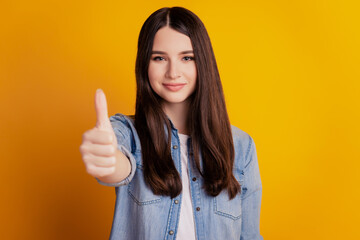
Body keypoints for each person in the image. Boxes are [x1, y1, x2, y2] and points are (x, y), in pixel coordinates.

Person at [80, 6, 263, 240]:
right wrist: (107, 159)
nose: (173, 72)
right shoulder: (128, 132)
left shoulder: (242, 146)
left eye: (187, 58)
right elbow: (119, 165)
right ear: (144, 64)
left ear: (203, 63)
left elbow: (250, 235)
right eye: (159, 58)